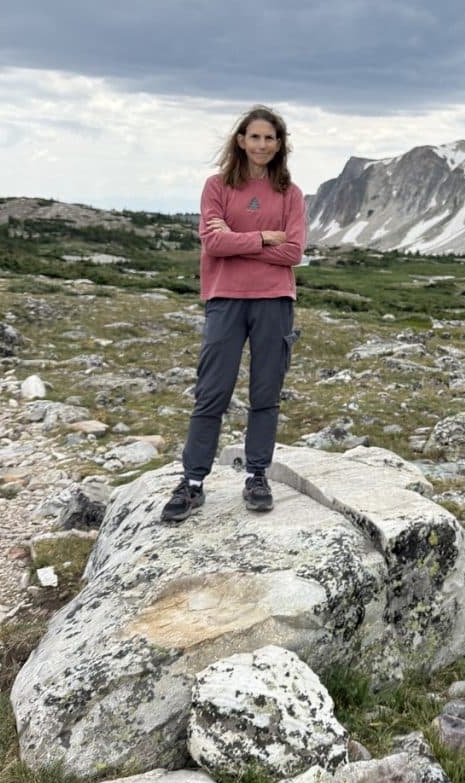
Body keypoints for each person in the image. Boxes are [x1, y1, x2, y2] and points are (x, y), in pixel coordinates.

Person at [162, 105, 307, 522]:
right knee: (212, 393)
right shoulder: (217, 186)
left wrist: (237, 239)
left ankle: (257, 474)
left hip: (275, 301)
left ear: (280, 145)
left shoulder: (291, 194)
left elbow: (294, 252)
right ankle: (192, 482)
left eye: (270, 138)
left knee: (265, 394)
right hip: (225, 299)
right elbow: (213, 243)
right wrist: (263, 238)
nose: (262, 144)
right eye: (255, 137)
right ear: (240, 141)